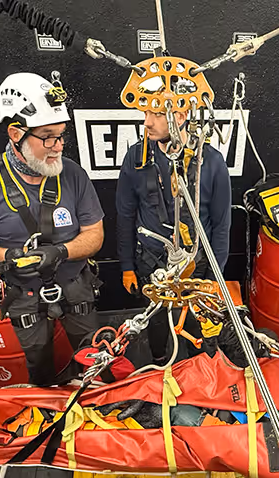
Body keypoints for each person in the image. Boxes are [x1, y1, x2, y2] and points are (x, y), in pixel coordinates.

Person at [0, 72, 105, 385]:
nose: (58, 147)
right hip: (23, 292)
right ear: (16, 133)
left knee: (93, 352)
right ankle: (46, 399)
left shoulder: (73, 175)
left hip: (75, 283)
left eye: (61, 136)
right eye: (48, 137)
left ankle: (97, 397)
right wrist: (6, 256)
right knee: (37, 361)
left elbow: (95, 234)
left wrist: (62, 251)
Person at [115, 106, 232, 365]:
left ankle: (199, 369)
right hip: (152, 264)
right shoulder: (136, 158)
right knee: (156, 322)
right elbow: (125, 215)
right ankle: (159, 361)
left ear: (180, 115)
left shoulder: (211, 162)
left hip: (196, 265)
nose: (147, 122)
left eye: (156, 114)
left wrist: (214, 279)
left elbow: (221, 225)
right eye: (145, 113)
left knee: (198, 328)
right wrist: (127, 267)